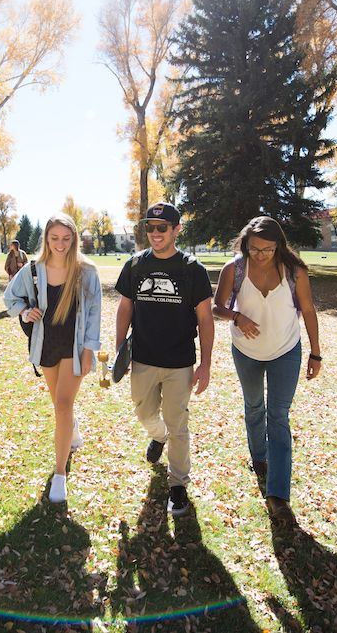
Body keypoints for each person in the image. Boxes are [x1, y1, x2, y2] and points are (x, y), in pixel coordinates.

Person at [211, 216, 322, 526]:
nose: (260, 255)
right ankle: (259, 458)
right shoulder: (235, 269)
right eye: (254, 248)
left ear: (278, 246)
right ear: (246, 243)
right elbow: (215, 307)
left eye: (268, 249)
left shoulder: (294, 271)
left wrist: (316, 353)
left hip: (286, 351)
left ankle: (278, 495)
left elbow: (309, 310)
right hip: (246, 352)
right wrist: (236, 317)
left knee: (278, 415)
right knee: (254, 406)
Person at [115, 202, 213, 517]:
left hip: (179, 361)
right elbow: (125, 308)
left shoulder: (191, 269)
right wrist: (121, 350)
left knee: (178, 423)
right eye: (150, 228)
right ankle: (158, 437)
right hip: (142, 357)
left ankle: (178, 486)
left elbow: (205, 319)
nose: (155, 234)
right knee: (144, 413)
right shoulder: (135, 265)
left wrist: (206, 364)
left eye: (162, 227)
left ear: (176, 230)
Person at [4, 214, 102, 504]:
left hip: (74, 347)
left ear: (74, 239)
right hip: (46, 346)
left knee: (62, 404)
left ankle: (60, 474)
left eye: (66, 238)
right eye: (54, 238)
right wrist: (24, 311)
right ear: (46, 239)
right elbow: (10, 298)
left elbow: (95, 312)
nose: (60, 244)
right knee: (59, 404)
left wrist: (89, 349)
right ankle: (72, 431)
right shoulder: (33, 270)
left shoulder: (86, 271)